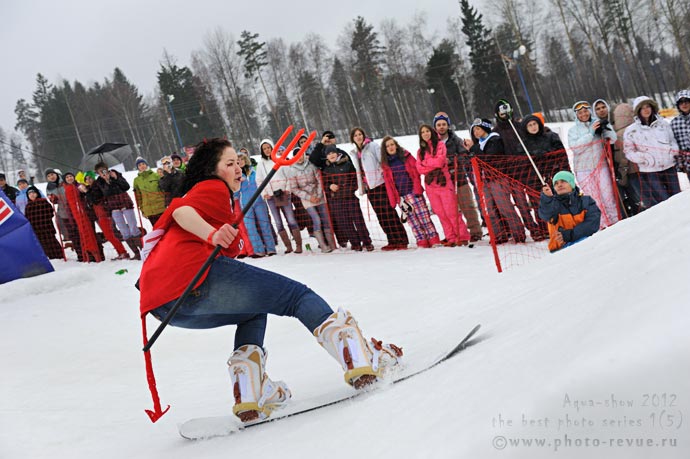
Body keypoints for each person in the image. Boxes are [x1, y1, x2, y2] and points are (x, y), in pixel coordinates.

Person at [138, 138, 402, 422]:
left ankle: (249, 391)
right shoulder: (210, 187)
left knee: (253, 312)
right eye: (229, 164)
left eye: (238, 162)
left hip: (166, 306)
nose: (238, 168)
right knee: (297, 297)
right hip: (191, 278)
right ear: (210, 169)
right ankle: (357, 357)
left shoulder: (219, 196)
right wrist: (211, 234)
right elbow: (181, 211)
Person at [464, 118, 525, 244]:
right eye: (473, 130)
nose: (475, 132)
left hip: (497, 179)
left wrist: (473, 149)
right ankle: (498, 235)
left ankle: (518, 233)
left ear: (485, 128)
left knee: (505, 207)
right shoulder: (479, 144)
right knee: (490, 210)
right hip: (484, 180)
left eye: (478, 129)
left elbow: (489, 159)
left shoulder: (494, 140)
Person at [350, 127, 408, 250]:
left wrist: (380, 174)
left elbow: (382, 162)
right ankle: (392, 240)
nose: (358, 137)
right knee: (381, 215)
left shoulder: (373, 146)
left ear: (364, 135)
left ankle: (401, 239)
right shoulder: (355, 153)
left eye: (360, 134)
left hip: (380, 184)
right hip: (370, 188)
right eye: (356, 136)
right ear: (352, 139)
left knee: (389, 213)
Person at [416, 124, 471, 247]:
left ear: (432, 132)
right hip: (431, 185)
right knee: (440, 212)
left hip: (444, 183)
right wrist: (430, 164)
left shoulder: (440, 145)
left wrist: (427, 163)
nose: (425, 134)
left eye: (427, 131)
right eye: (423, 132)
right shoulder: (420, 151)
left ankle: (462, 236)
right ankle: (450, 237)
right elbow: (419, 168)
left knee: (451, 211)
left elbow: (441, 161)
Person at [381, 135, 439, 248]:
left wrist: (417, 189)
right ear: (385, 149)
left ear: (396, 146)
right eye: (387, 146)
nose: (390, 147)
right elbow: (388, 184)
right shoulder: (386, 164)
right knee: (413, 222)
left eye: (392, 144)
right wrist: (394, 200)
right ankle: (422, 241)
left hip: (413, 191)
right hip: (402, 197)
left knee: (424, 218)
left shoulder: (406, 156)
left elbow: (416, 172)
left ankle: (433, 239)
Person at [568, 101, 619, 227]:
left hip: (601, 166)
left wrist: (606, 129)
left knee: (608, 198)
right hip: (584, 169)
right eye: (580, 112)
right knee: (595, 200)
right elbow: (576, 148)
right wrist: (590, 133)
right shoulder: (573, 130)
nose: (583, 114)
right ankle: (602, 225)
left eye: (585, 111)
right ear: (576, 115)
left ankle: (616, 222)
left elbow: (613, 139)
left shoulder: (596, 123)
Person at [623, 96, 681, 208]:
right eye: (642, 108)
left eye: (648, 106)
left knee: (677, 196)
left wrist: (673, 152)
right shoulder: (631, 130)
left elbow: (672, 141)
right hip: (651, 171)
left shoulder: (663, 124)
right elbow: (629, 152)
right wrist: (644, 158)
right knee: (664, 200)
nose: (646, 110)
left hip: (669, 167)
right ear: (638, 111)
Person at [433, 112, 483, 241]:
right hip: (443, 181)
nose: (441, 127)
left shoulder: (455, 140)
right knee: (451, 209)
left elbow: (464, 156)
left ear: (448, 126)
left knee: (467, 205)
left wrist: (453, 160)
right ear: (435, 127)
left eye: (444, 124)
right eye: (439, 125)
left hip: (459, 178)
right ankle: (456, 232)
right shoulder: (433, 143)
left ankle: (475, 231)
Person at [321, 145, 373, 251]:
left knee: (358, 220)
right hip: (336, 200)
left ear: (337, 153)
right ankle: (355, 243)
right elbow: (324, 185)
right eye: (329, 154)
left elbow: (355, 180)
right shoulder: (326, 169)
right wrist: (330, 186)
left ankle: (367, 242)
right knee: (345, 222)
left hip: (350, 197)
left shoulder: (347, 164)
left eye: (333, 153)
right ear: (326, 157)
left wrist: (349, 189)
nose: (331, 155)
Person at [255, 139, 302, 253]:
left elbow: (288, 176)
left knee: (290, 219)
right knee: (278, 222)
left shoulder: (280, 160)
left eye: (268, 147)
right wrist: (264, 193)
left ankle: (298, 245)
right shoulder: (261, 164)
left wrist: (287, 189)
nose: (267, 150)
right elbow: (259, 180)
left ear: (272, 148)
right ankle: (288, 246)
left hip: (283, 193)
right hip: (271, 196)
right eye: (264, 148)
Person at [538, 171, 601, 253]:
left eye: (563, 181)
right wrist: (547, 199)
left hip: (585, 242)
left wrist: (570, 234)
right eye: (556, 183)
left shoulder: (586, 201)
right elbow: (545, 215)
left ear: (571, 183)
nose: (559, 185)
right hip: (561, 249)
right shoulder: (553, 204)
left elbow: (592, 224)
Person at [287, 147, 335, 253]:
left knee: (325, 218)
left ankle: (331, 244)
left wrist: (318, 194)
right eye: (297, 156)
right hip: (307, 198)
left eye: (301, 155)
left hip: (318, 195)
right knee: (316, 219)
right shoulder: (292, 170)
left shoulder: (312, 166)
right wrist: (309, 197)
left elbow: (319, 180)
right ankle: (323, 245)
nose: (299, 158)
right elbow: (294, 188)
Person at [92, 162, 143, 259]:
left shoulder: (116, 175)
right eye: (100, 171)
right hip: (113, 207)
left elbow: (126, 186)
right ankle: (136, 253)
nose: (103, 172)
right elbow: (101, 195)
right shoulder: (99, 182)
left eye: (104, 170)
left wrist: (115, 179)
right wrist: (106, 182)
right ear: (98, 173)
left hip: (125, 204)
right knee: (124, 231)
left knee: (133, 228)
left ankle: (143, 250)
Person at [79, 171, 131, 260]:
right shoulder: (91, 187)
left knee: (110, 235)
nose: (88, 180)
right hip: (100, 214)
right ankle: (121, 251)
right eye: (86, 179)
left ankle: (123, 252)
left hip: (104, 213)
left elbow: (95, 200)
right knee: (109, 235)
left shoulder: (96, 186)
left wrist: (86, 191)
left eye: (90, 178)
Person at [237, 151, 277, 257]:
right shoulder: (236, 175)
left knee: (264, 224)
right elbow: (235, 192)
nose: (240, 161)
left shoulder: (254, 171)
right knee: (250, 227)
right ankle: (258, 250)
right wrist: (237, 182)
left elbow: (261, 182)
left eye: (241, 159)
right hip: (245, 203)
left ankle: (271, 248)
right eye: (238, 160)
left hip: (259, 201)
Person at [45, 169, 84, 261]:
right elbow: (52, 200)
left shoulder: (64, 180)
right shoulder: (49, 187)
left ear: (56, 174)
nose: (51, 177)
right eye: (49, 176)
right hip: (64, 212)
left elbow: (75, 186)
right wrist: (52, 199)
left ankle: (86, 250)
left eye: (52, 174)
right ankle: (80, 254)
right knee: (72, 234)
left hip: (74, 209)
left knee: (80, 231)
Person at [612, 103, 641, 216]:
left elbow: (621, 157)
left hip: (629, 172)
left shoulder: (617, 134)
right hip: (643, 169)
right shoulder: (636, 129)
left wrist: (622, 173)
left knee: (636, 198)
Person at [24, 186, 64, 259]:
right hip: (36, 229)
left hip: (47, 227)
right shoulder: (28, 206)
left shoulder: (43, 201)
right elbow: (27, 217)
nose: (32, 195)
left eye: (33, 193)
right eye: (29, 194)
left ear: (37, 194)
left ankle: (59, 255)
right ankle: (50, 256)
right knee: (43, 244)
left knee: (51, 242)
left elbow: (50, 212)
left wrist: (43, 218)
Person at [133, 157, 166, 227]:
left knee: (166, 227)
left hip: (161, 207)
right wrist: (142, 210)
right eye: (139, 165)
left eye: (143, 164)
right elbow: (138, 197)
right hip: (149, 210)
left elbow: (163, 190)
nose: (142, 166)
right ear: (138, 167)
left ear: (146, 165)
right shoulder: (136, 180)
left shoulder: (156, 175)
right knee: (157, 229)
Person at [670, 89, 690, 183]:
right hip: (687, 163)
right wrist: (680, 163)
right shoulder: (674, 123)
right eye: (681, 102)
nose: (684, 104)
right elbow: (674, 143)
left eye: (686, 101)